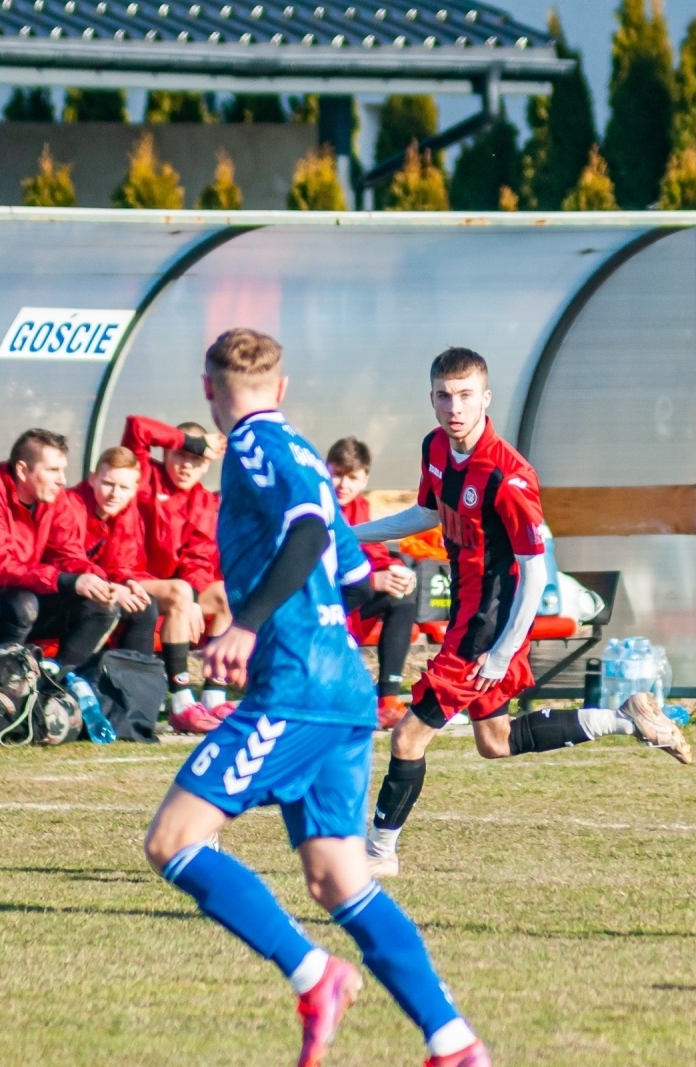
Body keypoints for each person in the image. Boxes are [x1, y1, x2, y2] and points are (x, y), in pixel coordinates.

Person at [143, 327, 491, 1067]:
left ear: (208, 391)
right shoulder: (304, 452)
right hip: (343, 692)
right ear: (282, 387)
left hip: (296, 689)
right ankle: (454, 1042)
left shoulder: (253, 446)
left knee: (173, 841)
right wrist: (342, 595)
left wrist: (246, 622)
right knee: (337, 879)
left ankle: (314, 973)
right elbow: (353, 576)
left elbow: (305, 531)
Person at [351, 348, 691, 879]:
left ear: (486, 398)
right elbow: (425, 513)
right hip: (471, 617)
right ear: (432, 399)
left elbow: (534, 573)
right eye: (444, 395)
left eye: (466, 396)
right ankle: (626, 718)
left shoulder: (508, 475)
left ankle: (378, 854)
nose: (455, 407)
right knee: (496, 741)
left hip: (487, 627)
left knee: (408, 737)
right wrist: (346, 533)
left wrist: (501, 650)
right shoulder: (435, 447)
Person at [0, 429, 119, 673]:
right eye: (53, 470)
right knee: (22, 605)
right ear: (22, 470)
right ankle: (0, 679)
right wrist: (64, 580)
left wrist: (99, 581)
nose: (62, 480)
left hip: (28, 586)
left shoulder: (53, 497)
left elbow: (69, 553)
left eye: (63, 470)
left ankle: (57, 678)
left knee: (102, 606)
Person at [121, 414, 230, 709]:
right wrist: (195, 443)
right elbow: (137, 427)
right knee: (181, 592)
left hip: (175, 591)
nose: (186, 466)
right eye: (180, 455)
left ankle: (214, 697)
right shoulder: (143, 476)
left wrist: (193, 598)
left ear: (206, 465)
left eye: (196, 460)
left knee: (224, 595)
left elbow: (198, 560)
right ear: (166, 452)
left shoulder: (204, 501)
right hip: (127, 579)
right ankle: (181, 700)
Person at [326, 435, 419, 728]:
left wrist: (397, 571)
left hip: (353, 600)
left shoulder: (359, 507)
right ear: (324, 469)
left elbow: (376, 553)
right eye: (337, 474)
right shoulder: (314, 507)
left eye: (352, 477)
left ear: (365, 479)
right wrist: (370, 579)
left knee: (402, 594)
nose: (343, 485)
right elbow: (310, 569)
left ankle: (388, 699)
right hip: (317, 604)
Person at [61, 445, 171, 678]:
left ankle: (133, 684)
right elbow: (67, 559)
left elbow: (121, 563)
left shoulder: (126, 513)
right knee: (103, 606)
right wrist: (111, 587)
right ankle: (61, 678)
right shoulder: (70, 504)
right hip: (62, 587)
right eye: (108, 483)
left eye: (123, 488)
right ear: (93, 479)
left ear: (134, 489)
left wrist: (128, 582)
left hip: (95, 586)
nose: (115, 494)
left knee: (144, 604)